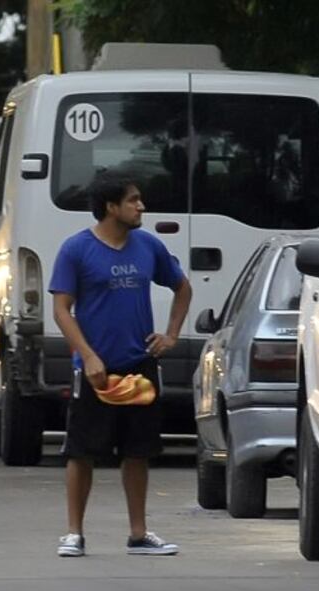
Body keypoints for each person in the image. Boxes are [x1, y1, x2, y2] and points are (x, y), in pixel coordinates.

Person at [49, 169, 192, 558]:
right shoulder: (76, 249)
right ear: (111, 207)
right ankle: (74, 533)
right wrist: (88, 354)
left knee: (138, 450)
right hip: (95, 371)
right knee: (81, 450)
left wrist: (172, 334)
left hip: (139, 366)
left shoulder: (148, 246)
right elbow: (62, 309)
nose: (141, 206)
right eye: (132, 200)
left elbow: (182, 287)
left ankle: (139, 534)